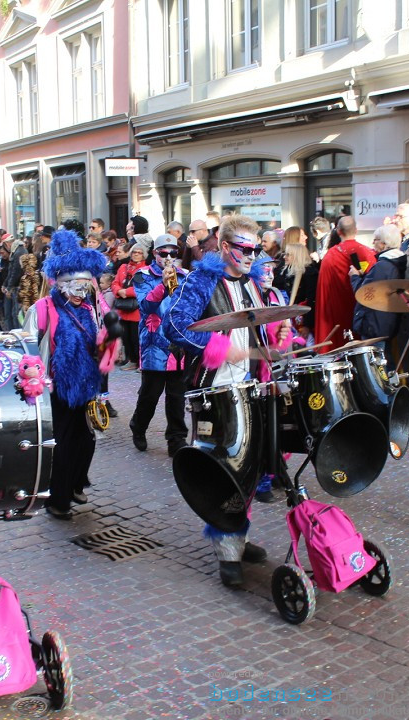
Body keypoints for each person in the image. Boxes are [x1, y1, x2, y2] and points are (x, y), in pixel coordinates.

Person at [162, 215, 290, 587]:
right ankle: (227, 549)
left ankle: (238, 532)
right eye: (244, 249)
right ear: (223, 247)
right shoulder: (201, 280)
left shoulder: (251, 285)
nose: (251, 257)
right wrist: (221, 349)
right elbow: (174, 326)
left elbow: (255, 334)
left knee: (250, 465)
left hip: (246, 385)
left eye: (256, 249)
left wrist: (276, 335)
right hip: (212, 388)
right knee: (226, 467)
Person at [24, 230, 118, 520]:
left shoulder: (91, 309)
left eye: (84, 286)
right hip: (57, 388)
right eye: (74, 286)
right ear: (60, 283)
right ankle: (58, 499)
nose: (80, 293)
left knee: (86, 441)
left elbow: (98, 346)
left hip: (86, 384)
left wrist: (110, 338)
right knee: (63, 445)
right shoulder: (43, 308)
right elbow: (26, 348)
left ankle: (75, 483)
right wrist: (35, 376)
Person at [130, 234, 189, 456]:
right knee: (150, 394)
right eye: (163, 253)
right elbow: (146, 306)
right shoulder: (142, 275)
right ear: (155, 254)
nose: (168, 257)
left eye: (173, 253)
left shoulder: (185, 276)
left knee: (177, 397)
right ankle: (138, 425)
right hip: (154, 345)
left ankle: (176, 438)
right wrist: (163, 285)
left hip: (178, 346)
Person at [314, 216, 376, 349]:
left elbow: (324, 291)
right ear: (356, 230)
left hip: (336, 316)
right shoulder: (367, 253)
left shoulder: (330, 255)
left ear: (339, 232)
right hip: (361, 312)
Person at [112, 244, 148, 369]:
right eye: (134, 252)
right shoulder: (123, 267)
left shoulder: (146, 269)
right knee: (126, 337)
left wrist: (125, 292)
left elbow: (143, 288)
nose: (136, 254)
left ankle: (140, 362)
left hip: (136, 310)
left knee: (136, 338)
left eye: (139, 252)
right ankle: (132, 360)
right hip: (123, 308)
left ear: (144, 255)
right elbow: (115, 282)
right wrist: (118, 291)